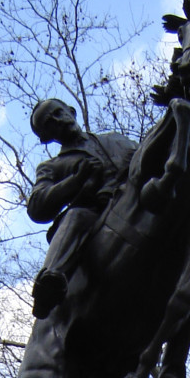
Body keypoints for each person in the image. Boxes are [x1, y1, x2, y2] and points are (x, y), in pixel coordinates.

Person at [27, 99, 136, 318]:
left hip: (135, 200)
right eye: (50, 123)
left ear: (72, 111)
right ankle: (50, 282)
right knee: (76, 216)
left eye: (59, 112)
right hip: (95, 214)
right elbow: (37, 206)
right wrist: (76, 180)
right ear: (46, 138)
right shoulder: (51, 167)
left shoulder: (116, 140)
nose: (59, 120)